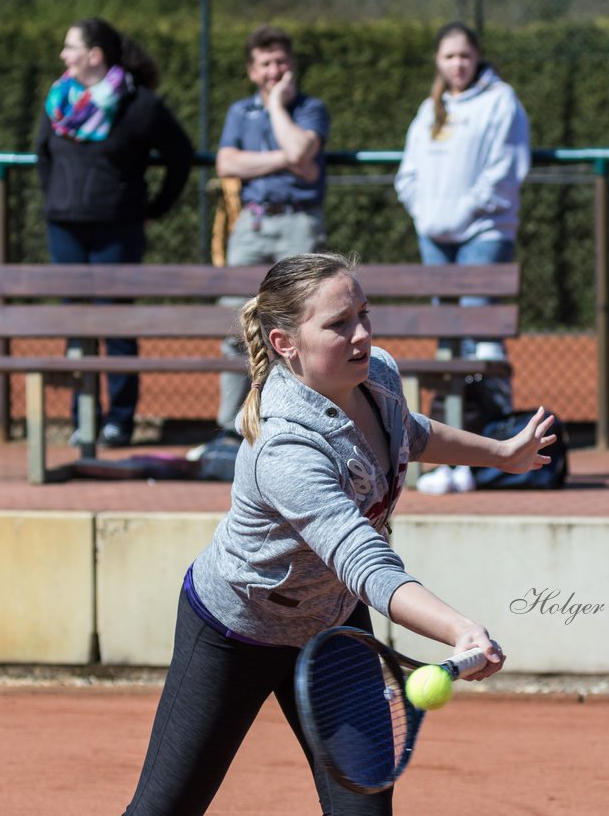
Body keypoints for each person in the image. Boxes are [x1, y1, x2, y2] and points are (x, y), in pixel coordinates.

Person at [124, 252, 556, 815]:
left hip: (334, 632)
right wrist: (458, 627)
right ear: (285, 343)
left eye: (363, 314)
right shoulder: (285, 448)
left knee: (364, 811)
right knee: (165, 808)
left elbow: (407, 431)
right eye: (338, 324)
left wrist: (501, 454)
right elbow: (364, 560)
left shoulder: (377, 375)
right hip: (235, 631)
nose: (362, 335)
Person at [35, 17, 194, 448]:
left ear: (94, 56)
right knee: (76, 324)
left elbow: (181, 155)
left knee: (117, 324)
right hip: (65, 228)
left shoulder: (139, 105)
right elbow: (43, 155)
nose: (63, 56)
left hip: (117, 230)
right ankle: (83, 419)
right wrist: (56, 200)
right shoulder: (58, 102)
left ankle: (119, 421)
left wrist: (153, 208)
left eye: (70, 48)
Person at [394, 21, 531, 494]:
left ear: (477, 58)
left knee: (482, 330)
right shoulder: (429, 109)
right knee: (448, 338)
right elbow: (408, 175)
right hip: (435, 236)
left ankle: (497, 439)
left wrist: (461, 210)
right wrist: (428, 214)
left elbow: (504, 170)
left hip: (483, 233)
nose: (457, 64)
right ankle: (455, 455)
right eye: (449, 56)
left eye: (464, 56)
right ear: (438, 60)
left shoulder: (501, 102)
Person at [211, 24, 330, 440]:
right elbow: (226, 163)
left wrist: (278, 106)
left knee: (297, 327)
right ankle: (230, 427)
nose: (273, 70)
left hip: (299, 221)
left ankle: (294, 424)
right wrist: (288, 159)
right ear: (251, 70)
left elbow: (303, 151)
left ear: (292, 66)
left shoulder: (311, 108)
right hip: (251, 224)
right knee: (236, 323)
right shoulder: (239, 112)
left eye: (280, 61)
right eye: (265, 63)